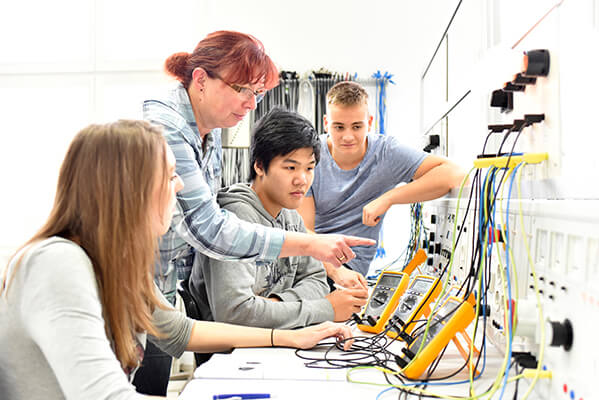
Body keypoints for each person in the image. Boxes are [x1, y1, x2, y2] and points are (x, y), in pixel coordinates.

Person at [0, 120, 354, 400]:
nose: (181, 186)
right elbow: (105, 395)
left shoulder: (118, 267)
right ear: (129, 188)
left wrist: (288, 338)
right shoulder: (58, 263)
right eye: (170, 176)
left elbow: (181, 331)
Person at [140, 31, 373, 394]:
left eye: (257, 93)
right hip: (137, 293)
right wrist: (314, 265)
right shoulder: (165, 126)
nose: (251, 104)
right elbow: (208, 229)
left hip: (163, 300)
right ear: (201, 80)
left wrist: (285, 302)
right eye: (242, 90)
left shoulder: (211, 128)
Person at [190, 109, 368, 331]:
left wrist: (273, 305)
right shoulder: (235, 218)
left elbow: (317, 280)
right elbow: (235, 314)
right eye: (290, 167)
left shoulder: (290, 214)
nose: (302, 180)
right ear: (259, 166)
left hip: (280, 339)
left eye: (310, 168)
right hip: (234, 354)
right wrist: (325, 309)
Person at [298, 81, 465, 283]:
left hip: (351, 266)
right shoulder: (310, 157)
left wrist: (389, 198)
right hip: (314, 260)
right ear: (326, 123)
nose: (348, 136)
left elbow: (453, 173)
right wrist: (333, 270)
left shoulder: (386, 153)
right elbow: (305, 231)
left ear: (369, 122)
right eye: (339, 127)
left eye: (357, 126)